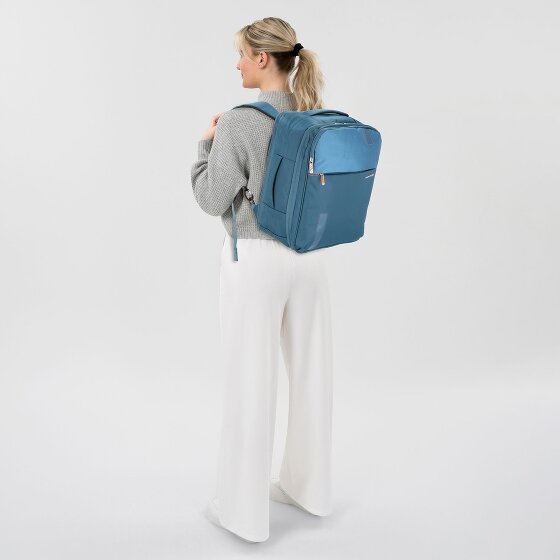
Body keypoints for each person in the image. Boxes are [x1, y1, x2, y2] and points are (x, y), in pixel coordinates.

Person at [190, 17, 334, 543]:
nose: (236, 65)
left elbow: (211, 199)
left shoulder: (238, 122)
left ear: (262, 58)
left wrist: (205, 145)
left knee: (250, 378)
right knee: (312, 374)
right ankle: (309, 490)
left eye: (241, 55)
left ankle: (242, 514)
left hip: (257, 259)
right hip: (311, 258)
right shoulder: (314, 114)